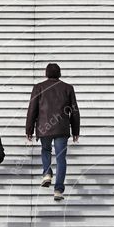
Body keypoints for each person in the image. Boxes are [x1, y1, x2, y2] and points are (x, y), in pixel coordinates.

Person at [25, 63, 80, 201]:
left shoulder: (39, 87)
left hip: (44, 127)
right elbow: (74, 110)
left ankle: (47, 173)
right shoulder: (68, 88)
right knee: (61, 159)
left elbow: (32, 109)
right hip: (61, 128)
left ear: (46, 73)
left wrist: (29, 129)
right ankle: (58, 190)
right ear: (59, 73)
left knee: (46, 150)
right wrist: (75, 130)